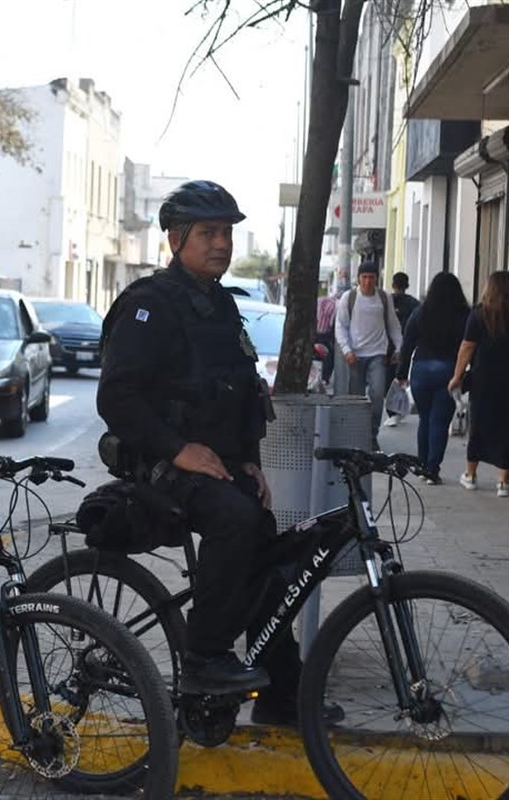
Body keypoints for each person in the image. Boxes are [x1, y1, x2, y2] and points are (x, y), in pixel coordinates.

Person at [97, 179, 333, 727]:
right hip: (159, 465)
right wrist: (179, 451)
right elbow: (117, 399)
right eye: (208, 233)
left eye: (226, 232)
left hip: (217, 465)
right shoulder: (147, 307)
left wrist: (248, 460)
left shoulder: (222, 307)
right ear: (177, 239)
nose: (221, 244)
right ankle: (204, 659)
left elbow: (240, 392)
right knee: (234, 521)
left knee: (267, 552)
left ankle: (280, 694)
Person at [448, 271, 509, 497]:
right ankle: (503, 481)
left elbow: (467, 347)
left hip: (484, 377)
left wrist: (457, 376)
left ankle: (470, 475)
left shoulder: (479, 314)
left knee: (479, 422)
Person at [397, 272, 470, 485]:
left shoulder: (421, 312)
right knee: (439, 421)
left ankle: (422, 465)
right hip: (449, 371)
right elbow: (470, 344)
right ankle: (432, 468)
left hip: (421, 370)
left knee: (425, 420)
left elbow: (408, 343)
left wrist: (401, 374)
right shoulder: (464, 315)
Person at [335, 259, 404, 448]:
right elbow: (340, 326)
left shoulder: (384, 298)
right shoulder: (349, 298)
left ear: (377, 279)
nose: (367, 281)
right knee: (355, 398)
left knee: (377, 393)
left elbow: (393, 324)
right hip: (355, 356)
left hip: (378, 354)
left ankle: (372, 436)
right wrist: (347, 350)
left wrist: (399, 347)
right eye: (364, 277)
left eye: (371, 278)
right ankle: (355, 436)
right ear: (358, 279)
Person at [383, 271, 421, 427]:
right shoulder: (414, 304)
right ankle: (398, 410)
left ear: (393, 284)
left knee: (389, 380)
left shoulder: (387, 301)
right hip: (407, 347)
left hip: (388, 346)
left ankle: (393, 411)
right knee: (401, 379)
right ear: (407, 285)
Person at [315, 289, 337, 388]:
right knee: (331, 354)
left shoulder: (320, 301)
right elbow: (332, 323)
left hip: (315, 333)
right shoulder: (333, 305)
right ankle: (325, 378)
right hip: (324, 335)